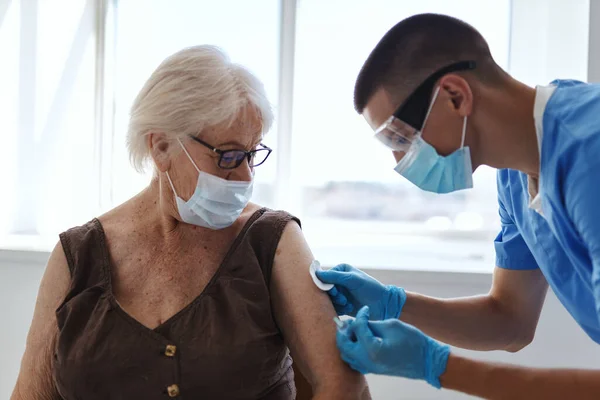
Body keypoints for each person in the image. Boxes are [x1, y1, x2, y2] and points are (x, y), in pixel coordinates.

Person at [11, 46, 369, 400]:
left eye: (252, 153)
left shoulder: (272, 242)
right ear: (162, 147)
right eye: (228, 156)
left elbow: (343, 386)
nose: (245, 176)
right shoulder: (78, 256)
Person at [316, 13, 600, 399]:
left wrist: (437, 366)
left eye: (399, 138)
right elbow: (510, 321)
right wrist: (393, 303)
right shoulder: (515, 177)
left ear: (456, 96)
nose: (400, 161)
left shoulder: (590, 153)